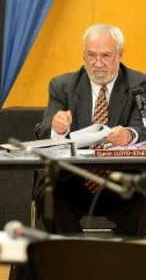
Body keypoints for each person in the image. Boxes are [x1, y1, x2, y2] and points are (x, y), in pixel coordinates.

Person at [36, 23, 146, 236]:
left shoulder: (139, 84)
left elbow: (143, 127)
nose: (97, 63)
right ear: (83, 56)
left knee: (141, 206)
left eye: (105, 55)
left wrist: (129, 136)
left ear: (119, 55)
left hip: (122, 181)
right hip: (74, 180)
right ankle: (73, 264)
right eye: (91, 55)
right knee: (51, 200)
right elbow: (44, 133)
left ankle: (127, 266)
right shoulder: (63, 86)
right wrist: (57, 130)